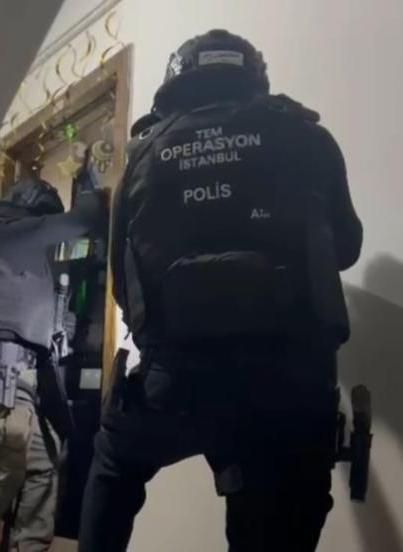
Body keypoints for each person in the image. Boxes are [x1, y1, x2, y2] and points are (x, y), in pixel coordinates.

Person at [79, 30, 362, 552]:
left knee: (115, 463)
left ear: (175, 83)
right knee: (274, 515)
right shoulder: (306, 137)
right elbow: (346, 248)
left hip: (176, 382)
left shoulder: (145, 153)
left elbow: (122, 277)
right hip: (291, 385)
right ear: (253, 80)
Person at [0, 176, 107, 551]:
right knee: (1, 475)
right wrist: (94, 192)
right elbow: (80, 221)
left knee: (42, 469)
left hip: (11, 371)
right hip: (5, 370)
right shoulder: (8, 232)